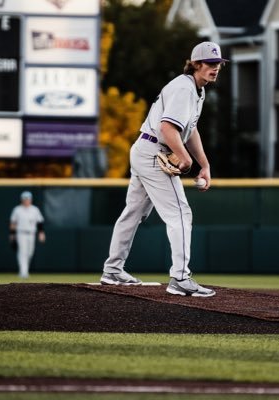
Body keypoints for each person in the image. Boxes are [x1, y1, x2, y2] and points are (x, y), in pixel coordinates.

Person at [101, 41, 227, 297]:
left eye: (218, 64)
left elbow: (189, 130)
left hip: (144, 148)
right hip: (154, 152)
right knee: (181, 213)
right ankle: (180, 277)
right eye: (210, 64)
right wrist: (185, 159)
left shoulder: (196, 89)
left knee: (132, 213)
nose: (215, 68)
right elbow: (168, 128)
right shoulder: (184, 88)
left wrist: (204, 164)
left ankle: (113, 270)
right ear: (196, 64)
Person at [9, 191, 45, 279]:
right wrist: (12, 235)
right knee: (22, 252)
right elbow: (13, 223)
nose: (26, 201)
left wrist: (41, 233)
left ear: (31, 199)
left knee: (30, 253)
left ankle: (25, 270)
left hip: (31, 233)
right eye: (25, 199)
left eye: (28, 199)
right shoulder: (17, 209)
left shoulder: (35, 209)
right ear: (22, 200)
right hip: (21, 233)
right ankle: (23, 272)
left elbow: (39, 222)